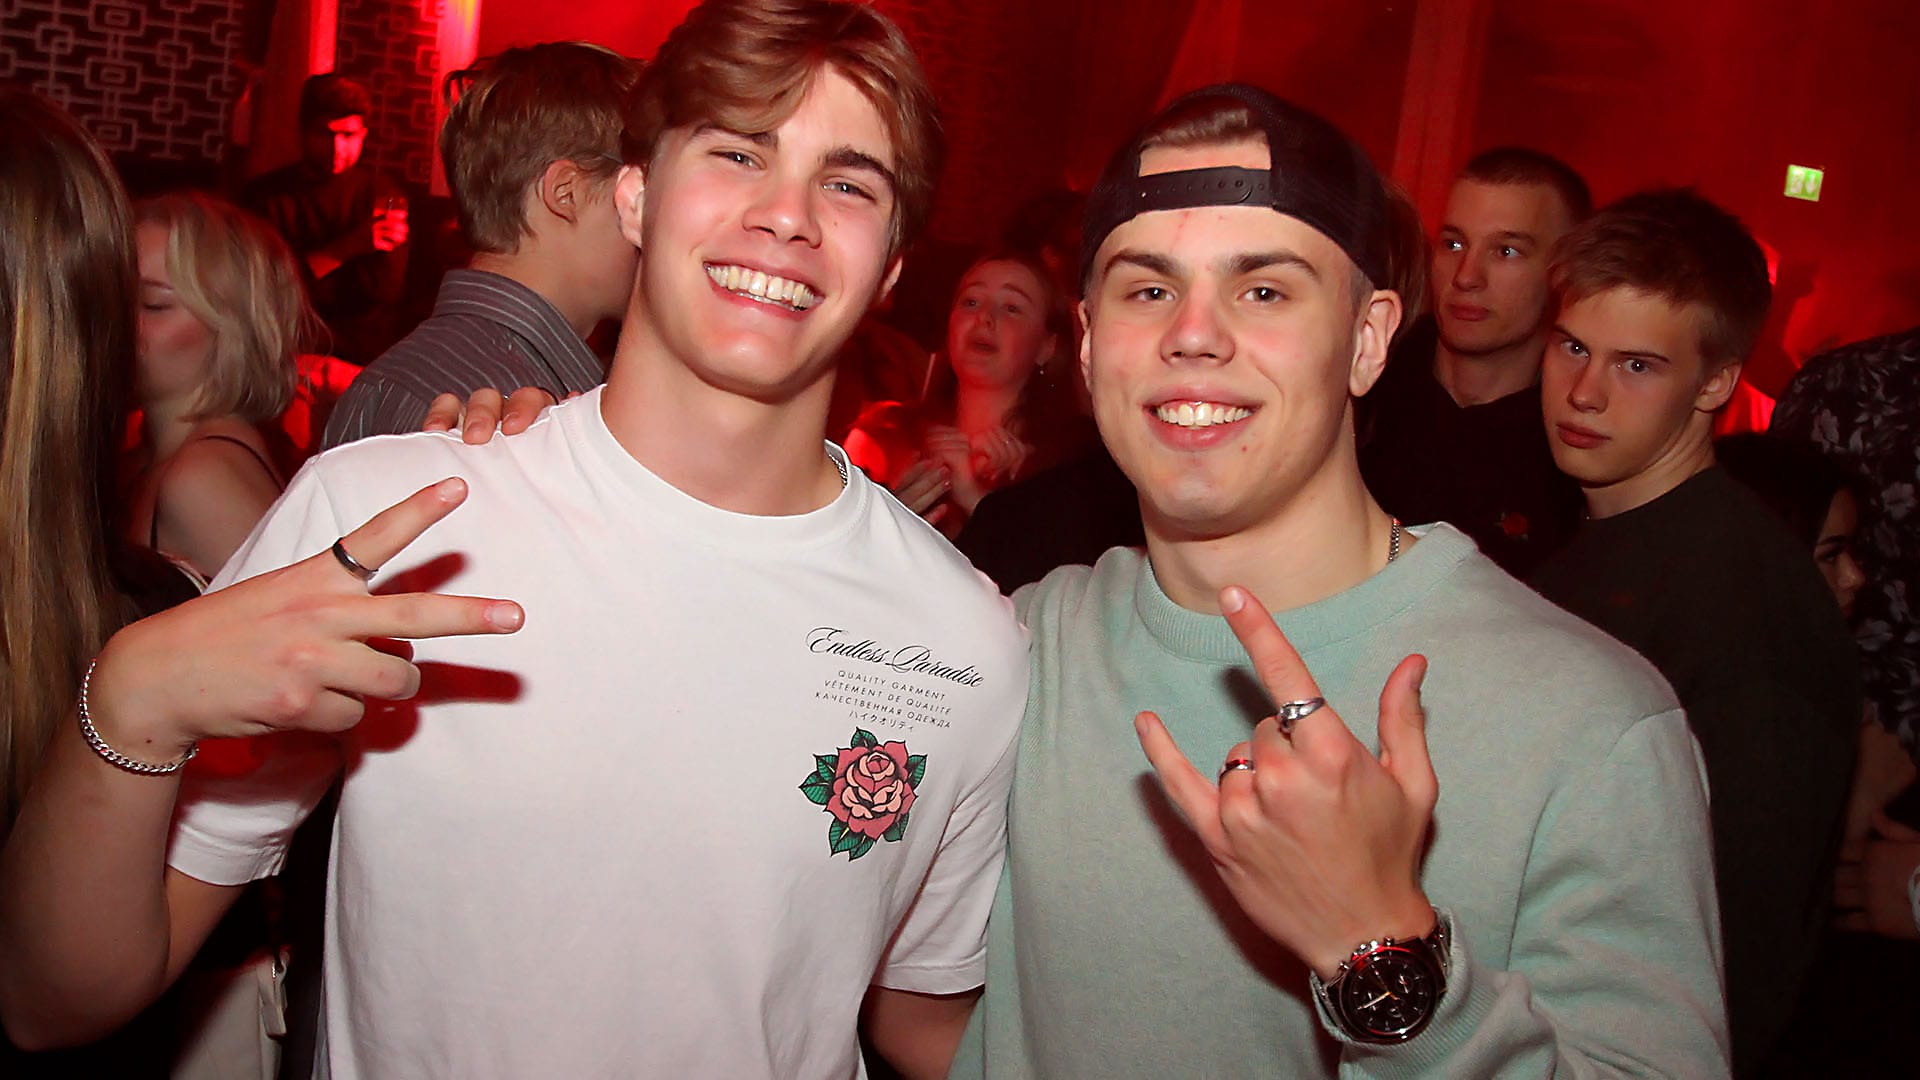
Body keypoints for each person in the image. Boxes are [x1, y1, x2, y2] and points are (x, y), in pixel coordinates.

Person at [0, 5, 1027, 1079]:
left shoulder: (959, 643)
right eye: (737, 152)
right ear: (636, 195)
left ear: (893, 264)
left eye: (849, 184)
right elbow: (52, 999)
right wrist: (130, 697)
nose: (786, 215)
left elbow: (924, 1018)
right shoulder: (389, 521)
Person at [946, 84, 1726, 1078]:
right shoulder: (1019, 651)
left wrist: (1379, 948)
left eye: (1264, 291)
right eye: (1149, 290)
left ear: (1367, 340)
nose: (1195, 334)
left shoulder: (1589, 724)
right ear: (1092, 345)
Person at [1528, 189, 1859, 1076]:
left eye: (1637, 365)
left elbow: (1740, 945)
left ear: (1716, 383)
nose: (1585, 391)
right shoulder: (1599, 541)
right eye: (1572, 346)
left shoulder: (1747, 604)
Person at [322, 43, 642, 447]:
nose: (657, 222)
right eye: (642, 192)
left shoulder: (419, 376)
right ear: (567, 193)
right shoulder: (494, 417)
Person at [1358, 148, 1589, 576]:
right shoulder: (1361, 384)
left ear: (1564, 272)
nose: (1466, 276)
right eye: (1453, 244)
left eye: (1506, 252)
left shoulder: (1577, 437)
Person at [127, 193, 304, 582]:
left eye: (152, 304)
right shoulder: (148, 457)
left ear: (233, 331)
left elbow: (295, 619)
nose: (118, 320)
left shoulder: (201, 479)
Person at [844, 249, 1085, 535]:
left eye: (1011, 308)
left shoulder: (1074, 464)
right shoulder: (883, 433)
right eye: (971, 302)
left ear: (1047, 346)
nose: (984, 316)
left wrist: (976, 498)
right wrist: (894, 515)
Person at [241, 74, 408, 363]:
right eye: (325, 134)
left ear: (364, 134)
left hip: (361, 357)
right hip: (285, 350)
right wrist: (349, 248)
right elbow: (268, 288)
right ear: (303, 131)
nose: (336, 148)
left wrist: (312, 269)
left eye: (348, 136)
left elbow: (384, 291)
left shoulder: (381, 196)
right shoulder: (266, 197)